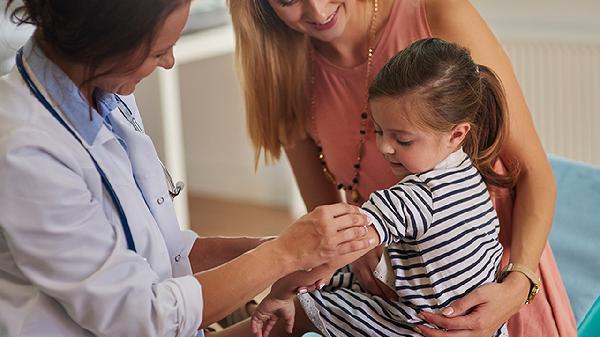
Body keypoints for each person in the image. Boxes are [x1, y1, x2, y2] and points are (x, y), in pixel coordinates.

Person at [0, 1, 376, 337]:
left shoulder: (101, 93)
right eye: (159, 51)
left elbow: (162, 253)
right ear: (104, 42)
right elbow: (141, 318)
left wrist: (278, 250)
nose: (169, 63)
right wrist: (282, 256)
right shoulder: (25, 149)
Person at [228, 0, 577, 336]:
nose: (317, 9)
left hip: (502, 279)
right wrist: (359, 248)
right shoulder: (283, 72)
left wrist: (518, 284)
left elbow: (535, 173)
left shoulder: (439, 14)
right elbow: (325, 214)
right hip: (400, 291)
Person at [251, 37, 514, 337]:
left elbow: (333, 251)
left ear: (456, 134)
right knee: (347, 279)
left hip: (413, 325)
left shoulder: (415, 197)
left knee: (303, 305)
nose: (385, 147)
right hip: (474, 325)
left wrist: (281, 291)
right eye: (378, 131)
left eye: (402, 140)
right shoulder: (468, 174)